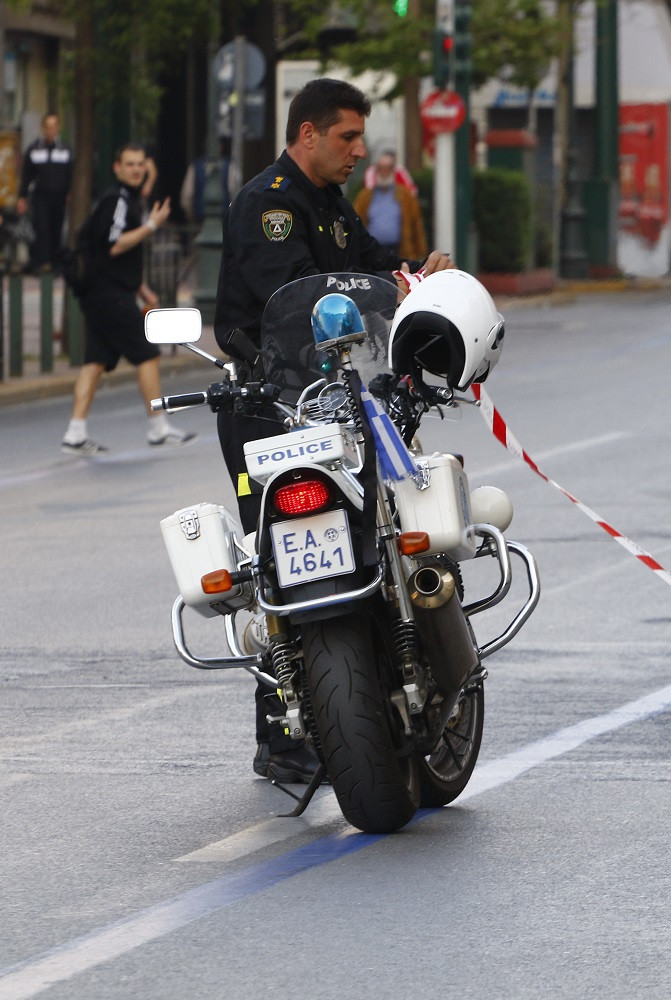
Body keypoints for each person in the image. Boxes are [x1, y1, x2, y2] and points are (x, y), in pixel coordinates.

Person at [215, 77, 452, 784]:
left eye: (360, 137)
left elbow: (368, 268)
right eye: (347, 136)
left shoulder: (326, 203)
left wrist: (414, 276)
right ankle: (282, 730)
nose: (359, 150)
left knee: (365, 542)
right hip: (269, 410)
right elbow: (304, 296)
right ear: (309, 134)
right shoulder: (269, 207)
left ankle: (371, 686)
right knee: (283, 561)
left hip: (335, 405)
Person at [59, 143, 190, 456]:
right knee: (146, 353)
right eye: (129, 164)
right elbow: (114, 246)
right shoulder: (117, 201)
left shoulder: (129, 199)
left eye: (140, 164)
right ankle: (158, 428)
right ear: (116, 168)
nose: (136, 169)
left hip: (103, 292)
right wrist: (151, 226)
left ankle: (75, 433)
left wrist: (142, 289)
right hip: (107, 294)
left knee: (95, 362)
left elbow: (119, 258)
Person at [18, 112, 73, 273]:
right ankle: (43, 263)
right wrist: (22, 197)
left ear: (58, 128)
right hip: (40, 197)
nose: (50, 130)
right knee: (42, 229)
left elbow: (71, 173)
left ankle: (55, 262)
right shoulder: (34, 150)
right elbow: (26, 175)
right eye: (47, 127)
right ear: (43, 128)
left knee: (57, 228)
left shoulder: (66, 150)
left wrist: (70, 192)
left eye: (54, 126)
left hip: (60, 196)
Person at [353, 150, 428, 259]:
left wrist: (420, 253)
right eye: (381, 169)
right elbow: (356, 222)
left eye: (387, 169)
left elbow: (416, 224)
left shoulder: (405, 196)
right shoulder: (365, 196)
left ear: (393, 171)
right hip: (372, 253)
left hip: (399, 253)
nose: (384, 173)